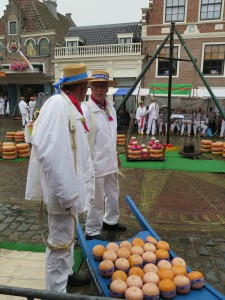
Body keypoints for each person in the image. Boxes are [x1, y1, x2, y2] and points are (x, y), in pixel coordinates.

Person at [25, 64, 95, 293]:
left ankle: (66, 275)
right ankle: (56, 291)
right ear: (83, 86)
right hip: (63, 192)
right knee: (59, 242)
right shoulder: (57, 105)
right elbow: (50, 151)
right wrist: (66, 194)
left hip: (69, 190)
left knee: (67, 238)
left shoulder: (69, 106)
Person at [81, 70, 126, 240]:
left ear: (107, 88)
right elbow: (83, 138)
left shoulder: (111, 108)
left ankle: (110, 221)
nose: (99, 89)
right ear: (91, 87)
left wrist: (115, 155)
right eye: (96, 85)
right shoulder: (86, 110)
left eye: (103, 85)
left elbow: (111, 135)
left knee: (113, 194)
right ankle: (92, 230)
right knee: (96, 199)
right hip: (95, 163)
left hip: (110, 161)